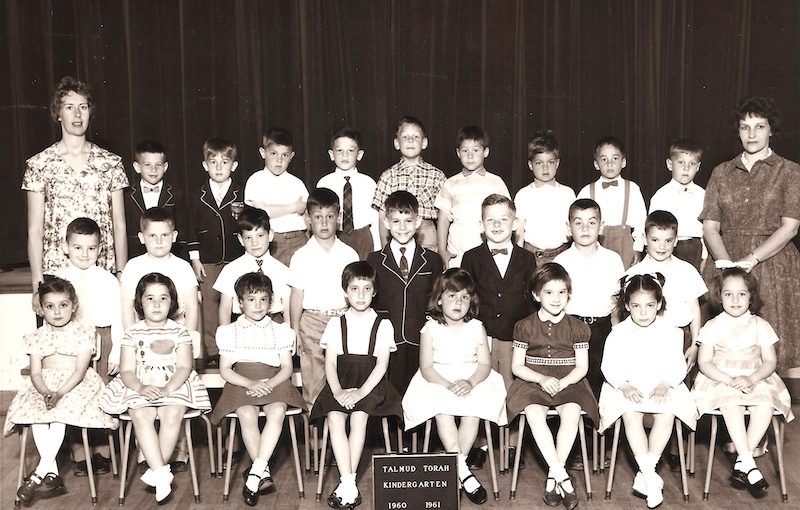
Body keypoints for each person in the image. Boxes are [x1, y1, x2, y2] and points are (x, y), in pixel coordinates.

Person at [699, 96, 800, 399]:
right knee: (723, 347)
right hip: (726, 264)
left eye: (759, 126)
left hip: (773, 264)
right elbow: (710, 227)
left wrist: (752, 259)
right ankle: (732, 428)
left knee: (769, 349)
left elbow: (791, 225)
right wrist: (729, 266)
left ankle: (761, 428)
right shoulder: (721, 172)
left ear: (771, 130)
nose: (752, 133)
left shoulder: (790, 171)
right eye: (745, 127)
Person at [4, 276, 118, 505]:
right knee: (36, 415)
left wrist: (59, 393)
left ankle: (38, 474)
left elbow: (80, 370)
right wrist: (46, 391)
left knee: (59, 415)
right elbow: (36, 372)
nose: (57, 312)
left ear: (73, 306)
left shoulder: (83, 332)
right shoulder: (37, 337)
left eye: (63, 305)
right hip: (44, 384)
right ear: (41, 309)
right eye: (50, 306)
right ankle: (51, 472)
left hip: (75, 385)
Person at [100, 273, 211, 503]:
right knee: (141, 414)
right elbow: (127, 371)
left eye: (163, 298)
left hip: (174, 383)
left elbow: (184, 366)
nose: (157, 303)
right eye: (150, 298)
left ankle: (156, 470)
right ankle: (161, 473)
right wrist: (140, 387)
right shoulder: (132, 332)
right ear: (140, 302)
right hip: (141, 383)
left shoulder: (180, 332)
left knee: (173, 412)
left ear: (173, 303)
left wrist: (168, 388)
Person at [402, 268, 508, 506]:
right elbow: (427, 368)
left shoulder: (477, 327)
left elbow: (484, 364)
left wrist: (470, 382)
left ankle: (455, 468)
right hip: (438, 378)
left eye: (464, 297)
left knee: (474, 409)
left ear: (471, 302)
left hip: (472, 375)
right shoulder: (430, 328)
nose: (458, 302)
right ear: (439, 299)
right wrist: (449, 385)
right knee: (442, 408)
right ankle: (463, 471)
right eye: (451, 296)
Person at [24, 76, 128, 304]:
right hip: (56, 274)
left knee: (103, 338)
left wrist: (121, 275)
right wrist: (37, 283)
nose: (78, 114)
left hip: (102, 269)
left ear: (91, 113)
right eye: (69, 107)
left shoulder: (110, 163)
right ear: (58, 114)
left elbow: (119, 224)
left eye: (83, 107)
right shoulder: (40, 165)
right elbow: (35, 229)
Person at [691, 267, 794, 499]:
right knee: (730, 402)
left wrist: (751, 378)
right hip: (719, 377)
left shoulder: (760, 325)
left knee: (765, 402)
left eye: (742, 294)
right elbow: (705, 362)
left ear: (751, 296)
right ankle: (748, 462)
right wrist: (729, 380)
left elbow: (769, 361)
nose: (735, 299)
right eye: (728, 294)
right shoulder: (713, 326)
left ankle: (741, 463)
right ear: (720, 296)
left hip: (755, 375)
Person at [599, 274, 697, 509]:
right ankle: (650, 476)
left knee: (667, 413)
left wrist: (665, 383)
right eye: (636, 306)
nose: (643, 313)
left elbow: (677, 365)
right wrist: (623, 385)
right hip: (626, 384)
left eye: (649, 306)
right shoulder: (619, 332)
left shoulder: (672, 332)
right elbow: (608, 365)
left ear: (659, 305)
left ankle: (646, 472)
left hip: (660, 384)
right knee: (630, 413)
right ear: (626, 306)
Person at [505, 263, 599, 510]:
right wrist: (542, 379)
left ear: (569, 294)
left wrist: (563, 382)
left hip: (570, 380)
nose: (556, 299)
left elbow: (582, 367)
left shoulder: (578, 328)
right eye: (548, 292)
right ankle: (562, 477)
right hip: (533, 378)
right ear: (536, 295)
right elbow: (517, 366)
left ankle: (552, 478)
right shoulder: (524, 326)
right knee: (535, 414)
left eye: (561, 292)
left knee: (571, 413)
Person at [310, 262, 402, 509]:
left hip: (371, 384)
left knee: (359, 416)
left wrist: (361, 392)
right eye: (354, 289)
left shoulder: (383, 324)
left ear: (374, 292)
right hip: (340, 381)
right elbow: (329, 363)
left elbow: (382, 365)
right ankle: (349, 482)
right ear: (345, 291)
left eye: (366, 288)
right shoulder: (335, 324)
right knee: (335, 418)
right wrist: (338, 391)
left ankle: (346, 486)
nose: (360, 295)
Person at [209, 272, 305, 506]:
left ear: (271, 301)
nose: (258, 305)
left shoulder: (281, 330)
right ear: (240, 302)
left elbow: (286, 367)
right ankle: (261, 474)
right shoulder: (229, 331)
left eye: (263, 299)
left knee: (277, 411)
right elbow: (225, 369)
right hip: (241, 378)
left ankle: (256, 473)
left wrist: (269, 384)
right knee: (246, 413)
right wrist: (250, 384)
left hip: (274, 378)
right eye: (251, 300)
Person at [461, 194, 536, 467]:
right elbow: (466, 298)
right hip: (484, 337)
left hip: (516, 339)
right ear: (481, 225)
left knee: (513, 389)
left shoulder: (527, 259)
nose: (496, 225)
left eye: (503, 219)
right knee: (481, 389)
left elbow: (531, 300)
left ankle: (513, 444)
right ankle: (480, 444)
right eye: (490, 220)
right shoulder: (470, 257)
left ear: (514, 223)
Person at [55, 217, 121, 476]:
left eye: (91, 248)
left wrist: (115, 350)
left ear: (100, 249)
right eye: (78, 247)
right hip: (70, 342)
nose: (85, 254)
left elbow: (118, 317)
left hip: (102, 339)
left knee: (100, 394)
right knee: (75, 394)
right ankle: (80, 454)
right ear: (65, 247)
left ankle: (103, 451)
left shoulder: (108, 280)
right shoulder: (60, 279)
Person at [289, 188, 359, 409]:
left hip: (341, 320)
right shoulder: (301, 256)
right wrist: (294, 330)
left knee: (344, 377)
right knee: (314, 379)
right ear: (308, 219)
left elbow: (355, 294)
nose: (324, 223)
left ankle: (341, 430)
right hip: (312, 322)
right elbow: (296, 295)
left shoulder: (349, 254)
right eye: (318, 217)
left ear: (338, 218)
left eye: (330, 217)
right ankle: (315, 436)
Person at [553, 199, 625, 399]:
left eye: (591, 222)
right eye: (578, 223)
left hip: (601, 329)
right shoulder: (561, 261)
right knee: (571, 384)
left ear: (601, 226)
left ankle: (598, 428)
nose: (585, 228)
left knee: (600, 381)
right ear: (569, 228)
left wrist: (616, 332)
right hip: (569, 328)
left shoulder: (612, 259)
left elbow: (618, 301)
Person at [187, 137, 246, 361]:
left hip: (235, 257)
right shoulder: (198, 194)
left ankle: (236, 349)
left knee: (235, 303)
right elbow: (190, 226)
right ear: (205, 165)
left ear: (234, 166)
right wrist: (195, 258)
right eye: (214, 162)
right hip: (208, 259)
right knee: (210, 305)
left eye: (224, 162)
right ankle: (213, 350)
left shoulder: (241, 193)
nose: (219, 167)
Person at [626, 210, 707, 368]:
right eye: (655, 240)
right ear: (644, 239)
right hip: (644, 339)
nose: (662, 247)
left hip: (682, 338)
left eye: (668, 241)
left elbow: (695, 310)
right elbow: (624, 313)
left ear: (676, 241)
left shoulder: (687, 270)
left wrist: (695, 346)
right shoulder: (633, 274)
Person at [435, 126, 511, 268]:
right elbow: (443, 219)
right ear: (458, 153)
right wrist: (442, 250)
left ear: (486, 152)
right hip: (458, 250)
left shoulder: (496, 182)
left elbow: (507, 216)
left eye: (475, 150)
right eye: (465, 151)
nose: (470, 156)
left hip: (487, 250)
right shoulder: (450, 183)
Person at [372, 116, 446, 252]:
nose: (410, 141)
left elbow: (444, 215)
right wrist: (384, 248)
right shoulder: (388, 176)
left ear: (424, 143)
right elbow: (382, 215)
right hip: (397, 231)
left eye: (416, 137)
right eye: (405, 137)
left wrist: (442, 250)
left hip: (427, 233)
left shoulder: (437, 175)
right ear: (396, 143)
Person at [120, 207, 199, 333]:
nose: (159, 241)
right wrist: (131, 336)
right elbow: (126, 307)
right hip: (142, 332)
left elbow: (192, 308)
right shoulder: (133, 266)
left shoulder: (183, 267)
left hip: (177, 331)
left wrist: (188, 338)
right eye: (152, 235)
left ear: (174, 236)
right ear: (141, 237)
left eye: (165, 235)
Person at [213, 207, 291, 330]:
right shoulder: (230, 270)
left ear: (270, 235)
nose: (255, 243)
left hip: (275, 325)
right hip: (241, 325)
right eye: (248, 238)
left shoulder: (283, 271)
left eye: (260, 235)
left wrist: (290, 335)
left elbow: (287, 308)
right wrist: (225, 336)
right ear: (240, 239)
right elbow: (225, 308)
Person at [577, 136, 647, 269]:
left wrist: (638, 248)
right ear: (596, 164)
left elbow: (641, 222)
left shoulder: (632, 188)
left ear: (623, 162)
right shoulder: (587, 191)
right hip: (596, 246)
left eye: (615, 158)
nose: (610, 164)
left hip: (625, 246)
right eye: (604, 159)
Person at [244, 127, 309, 266]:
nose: (279, 160)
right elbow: (263, 212)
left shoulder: (297, 183)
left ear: (291, 156)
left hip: (298, 239)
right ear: (263, 153)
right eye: (273, 153)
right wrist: (294, 207)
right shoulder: (256, 180)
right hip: (272, 241)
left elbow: (306, 215)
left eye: (284, 155)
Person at [514, 130, 576, 264]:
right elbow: (519, 232)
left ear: (557, 163)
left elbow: (574, 228)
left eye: (550, 162)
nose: (545, 168)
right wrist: (517, 260)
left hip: (563, 254)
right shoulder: (523, 195)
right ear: (530, 165)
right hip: (532, 256)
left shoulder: (568, 193)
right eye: (539, 163)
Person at [317, 128, 379, 259]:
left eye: (350, 151)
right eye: (339, 150)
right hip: (335, 235)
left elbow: (375, 218)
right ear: (331, 154)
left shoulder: (369, 183)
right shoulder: (324, 183)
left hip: (363, 237)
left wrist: (377, 247)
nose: (345, 155)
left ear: (359, 154)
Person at [124, 140, 188, 260]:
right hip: (135, 256)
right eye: (147, 165)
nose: (153, 170)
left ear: (165, 167)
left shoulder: (176, 194)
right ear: (137, 167)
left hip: (169, 257)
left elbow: (183, 231)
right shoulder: (127, 195)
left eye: (158, 165)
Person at [648, 139, 706, 271]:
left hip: (695, 249)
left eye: (692, 164)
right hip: (668, 247)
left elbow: (706, 229)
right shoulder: (661, 196)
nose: (686, 168)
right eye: (681, 163)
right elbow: (652, 229)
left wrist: (705, 257)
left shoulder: (703, 195)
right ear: (669, 164)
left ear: (698, 167)